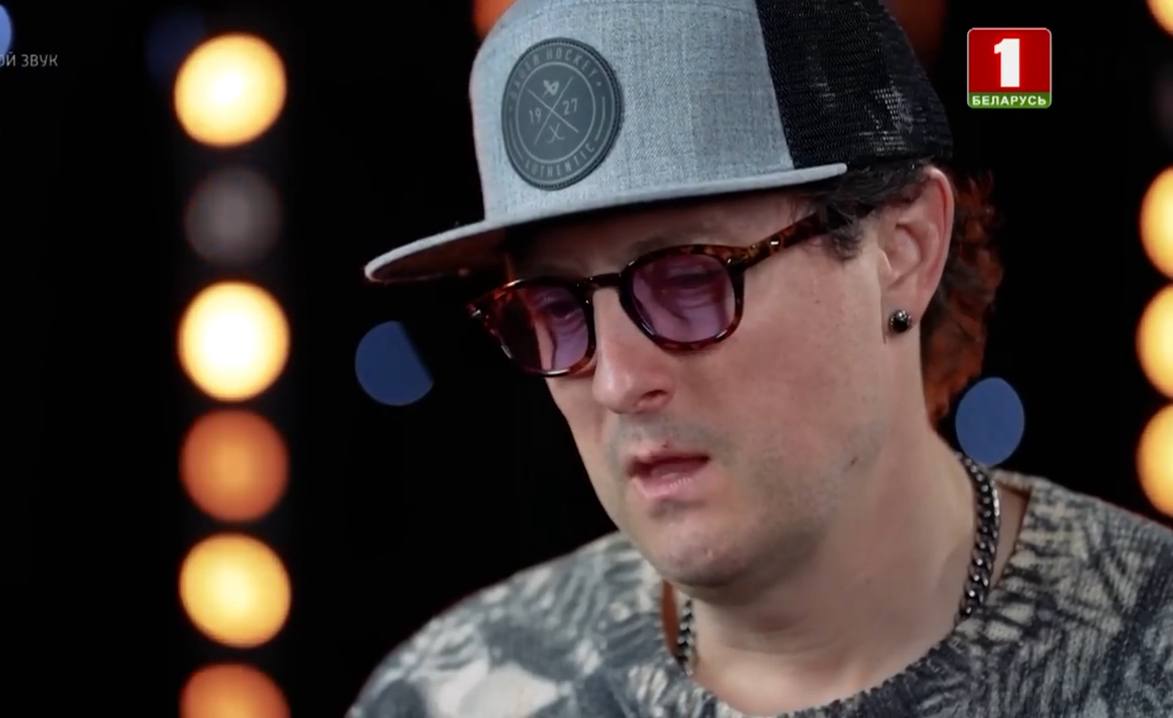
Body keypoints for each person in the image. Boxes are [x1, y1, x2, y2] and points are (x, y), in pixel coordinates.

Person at [349, 0, 1173, 715]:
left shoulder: (1147, 656)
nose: (617, 381)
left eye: (689, 279)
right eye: (552, 308)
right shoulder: (453, 692)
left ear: (904, 248)